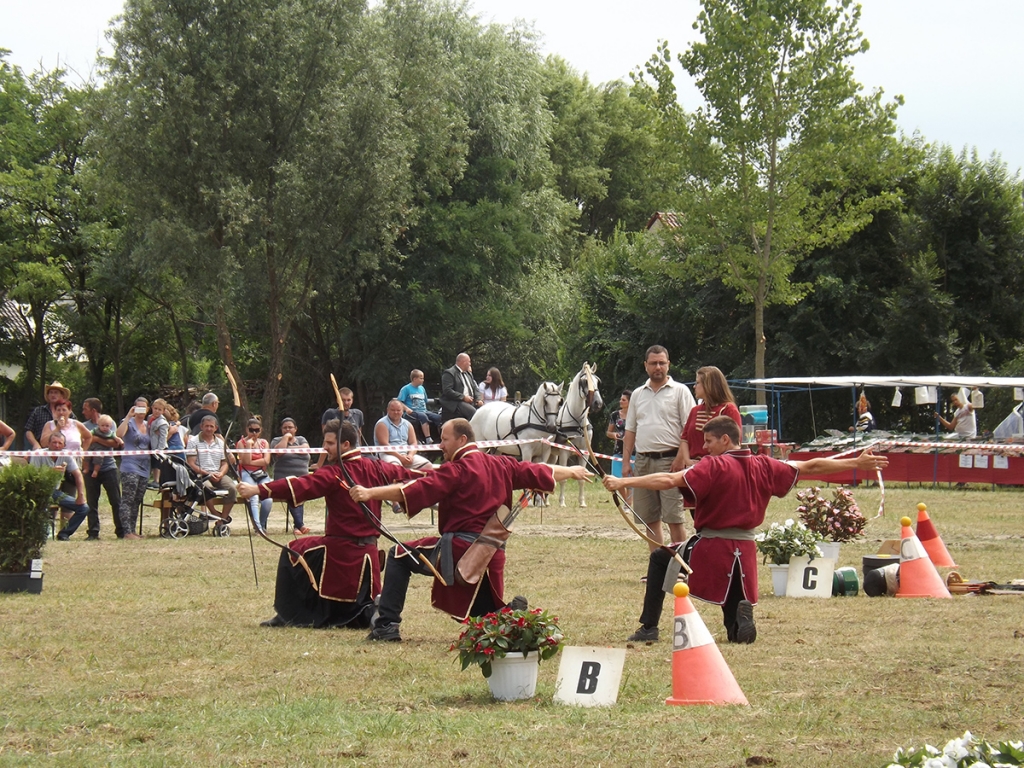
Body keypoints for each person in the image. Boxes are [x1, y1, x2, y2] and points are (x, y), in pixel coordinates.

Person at [604, 416, 889, 644]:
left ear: (725, 440)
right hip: (745, 552)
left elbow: (669, 480)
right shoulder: (764, 464)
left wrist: (624, 483)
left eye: (709, 441)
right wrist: (856, 463)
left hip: (711, 548)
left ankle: (649, 627)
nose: (705, 448)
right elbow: (811, 466)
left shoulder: (713, 465)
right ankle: (739, 622)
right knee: (734, 611)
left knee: (660, 558)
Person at [350, 418, 592, 642]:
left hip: (461, 552)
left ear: (462, 440)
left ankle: (387, 625)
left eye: (444, 439)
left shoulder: (456, 469)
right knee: (485, 617)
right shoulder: (502, 464)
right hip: (492, 553)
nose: (440, 445)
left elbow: (413, 490)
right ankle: (508, 615)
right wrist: (573, 471)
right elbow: (542, 471)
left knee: (398, 555)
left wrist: (370, 493)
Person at [239, 421, 426, 628]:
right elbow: (415, 477)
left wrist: (257, 490)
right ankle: (369, 611)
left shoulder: (335, 472)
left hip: (339, 548)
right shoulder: (376, 467)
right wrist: (443, 473)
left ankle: (287, 615)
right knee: (357, 605)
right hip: (368, 553)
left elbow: (301, 484)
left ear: (345, 444)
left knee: (293, 550)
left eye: (329, 443)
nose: (324, 447)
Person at [621, 345, 696, 548]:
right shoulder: (638, 394)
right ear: (645, 365)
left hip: (671, 462)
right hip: (643, 462)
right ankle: (657, 562)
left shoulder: (680, 391)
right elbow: (630, 430)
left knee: (674, 517)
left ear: (668, 364)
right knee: (649, 518)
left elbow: (689, 429)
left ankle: (679, 562)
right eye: (654, 363)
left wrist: (681, 458)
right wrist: (626, 462)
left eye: (662, 363)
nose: (658, 367)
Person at [30, 431, 91, 541]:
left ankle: (64, 534)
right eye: (54, 443)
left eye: (60, 443)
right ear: (48, 444)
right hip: (37, 490)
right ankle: (41, 533)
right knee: (41, 509)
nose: (57, 446)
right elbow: (32, 476)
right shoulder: (38, 454)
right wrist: (50, 472)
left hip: (54, 492)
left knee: (83, 508)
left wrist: (81, 495)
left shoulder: (66, 455)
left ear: (64, 445)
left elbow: (78, 474)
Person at [680, 366, 742, 467]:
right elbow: (684, 439)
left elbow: (735, 443)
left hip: (718, 466)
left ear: (708, 385)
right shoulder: (695, 410)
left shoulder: (728, 409)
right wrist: (687, 461)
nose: (694, 386)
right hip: (693, 466)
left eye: (697, 383)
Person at [259, 417, 311, 533]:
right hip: (284, 479)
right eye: (285, 428)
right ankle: (299, 525)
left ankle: (298, 526)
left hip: (302, 478)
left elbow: (305, 449)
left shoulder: (301, 439)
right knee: (292, 491)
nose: (287, 430)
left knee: (299, 490)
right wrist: (286, 438)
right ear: (281, 429)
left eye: (290, 427)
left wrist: (289, 448)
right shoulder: (276, 441)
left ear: (295, 429)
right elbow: (279, 452)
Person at [81, 410, 124, 539]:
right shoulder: (84, 426)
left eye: (107, 426)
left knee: (116, 500)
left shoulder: (111, 424)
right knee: (92, 502)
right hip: (90, 469)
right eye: (103, 425)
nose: (105, 427)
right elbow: (83, 443)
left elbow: (115, 443)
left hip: (109, 468)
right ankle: (93, 532)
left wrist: (96, 439)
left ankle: (121, 531)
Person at [186, 414, 236, 522]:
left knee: (232, 488)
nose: (209, 429)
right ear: (201, 427)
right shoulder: (193, 441)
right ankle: (214, 513)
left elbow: (225, 463)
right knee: (206, 488)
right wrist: (207, 473)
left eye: (211, 426)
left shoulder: (221, 443)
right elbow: (191, 463)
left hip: (217, 473)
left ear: (216, 428)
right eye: (206, 426)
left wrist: (221, 474)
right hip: (200, 475)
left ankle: (222, 519)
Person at [116, 397, 152, 539]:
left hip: (145, 467)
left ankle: (132, 530)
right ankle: (126, 532)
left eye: (144, 407)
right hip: (130, 465)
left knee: (137, 500)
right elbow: (119, 434)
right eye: (138, 407)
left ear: (147, 409)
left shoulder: (148, 425)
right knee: (128, 499)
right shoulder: (128, 423)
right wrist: (128, 416)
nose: (141, 411)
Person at [374, 399, 433, 472]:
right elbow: (384, 445)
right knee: (396, 467)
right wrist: (400, 457)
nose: (396, 412)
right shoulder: (382, 424)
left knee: (428, 466)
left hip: (406, 454)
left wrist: (410, 455)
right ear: (387, 410)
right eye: (393, 410)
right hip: (387, 454)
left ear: (402, 411)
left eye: (398, 410)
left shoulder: (408, 424)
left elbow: (413, 443)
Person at [235, 418, 271, 530]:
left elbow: (266, 461)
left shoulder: (264, 443)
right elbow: (245, 461)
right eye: (251, 430)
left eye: (257, 430)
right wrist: (248, 446)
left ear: (261, 430)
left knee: (268, 498)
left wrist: (250, 462)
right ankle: (258, 527)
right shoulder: (241, 443)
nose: (254, 433)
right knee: (253, 496)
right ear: (247, 430)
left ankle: (261, 524)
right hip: (247, 472)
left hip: (261, 473)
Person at [23, 381, 73, 449]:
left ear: (62, 396)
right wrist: (35, 444)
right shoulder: (38, 411)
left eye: (56, 392)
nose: (53, 395)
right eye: (51, 392)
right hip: (41, 448)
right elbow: (28, 430)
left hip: (64, 449)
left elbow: (77, 430)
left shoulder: (69, 413)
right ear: (48, 395)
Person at [397, 369, 442, 443]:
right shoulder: (406, 389)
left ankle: (440, 437)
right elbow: (399, 402)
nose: (423, 380)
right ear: (415, 379)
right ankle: (428, 438)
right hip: (412, 412)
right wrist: (407, 409)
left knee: (438, 417)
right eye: (421, 378)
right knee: (423, 417)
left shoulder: (422, 388)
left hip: (424, 410)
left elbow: (425, 400)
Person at [439, 353, 482, 421]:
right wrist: (463, 397)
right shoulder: (449, 373)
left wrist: (478, 399)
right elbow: (447, 390)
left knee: (484, 412)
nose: (470, 364)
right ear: (463, 362)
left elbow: (475, 388)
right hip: (456, 402)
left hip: (470, 402)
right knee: (473, 412)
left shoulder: (468, 374)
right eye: (469, 362)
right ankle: (469, 428)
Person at [606, 389, 632, 457]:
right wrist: (613, 434)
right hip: (618, 451)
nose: (620, 401)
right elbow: (608, 432)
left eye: (623, 400)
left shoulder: (635, 416)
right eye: (620, 399)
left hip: (633, 452)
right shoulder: (615, 415)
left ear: (630, 402)